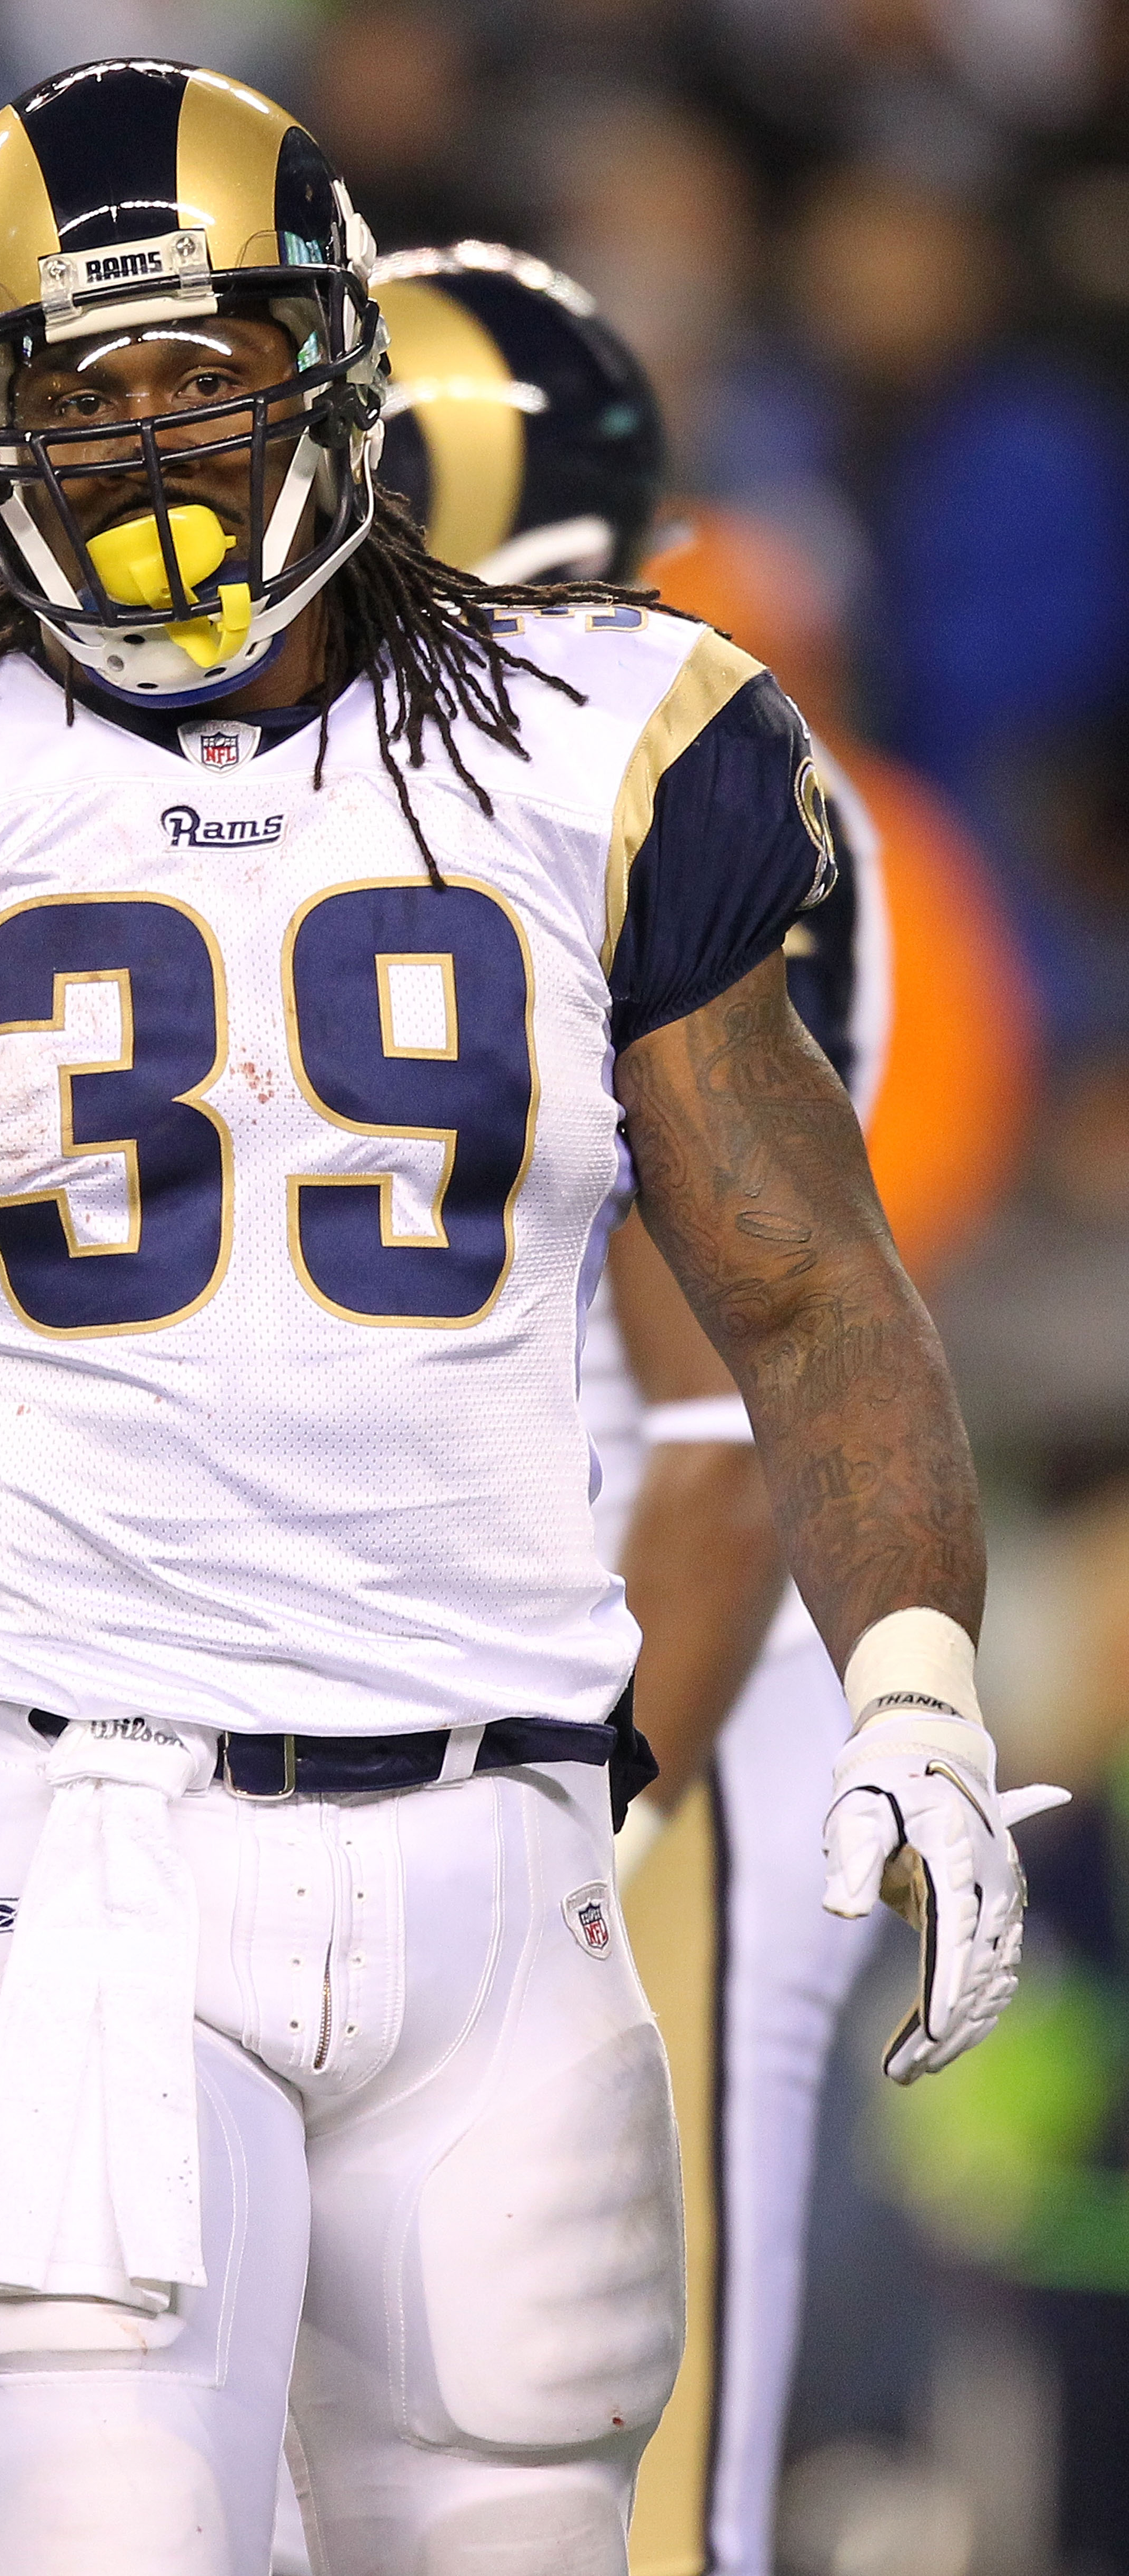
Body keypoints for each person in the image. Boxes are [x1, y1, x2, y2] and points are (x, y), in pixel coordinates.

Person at [0, 62, 1059, 2576]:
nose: (149, 442)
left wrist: (910, 1679)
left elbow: (811, 1297)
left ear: (339, 367)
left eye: (206, 368)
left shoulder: (606, 740)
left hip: (510, 1848)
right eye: (77, 387)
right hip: (83, 1852)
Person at [371, 241, 1043, 2576]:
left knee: (645, 2444)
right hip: (465, 1637)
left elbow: (747, 1393)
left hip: (669, 1648)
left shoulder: (683, 782)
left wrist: (590, 1797)